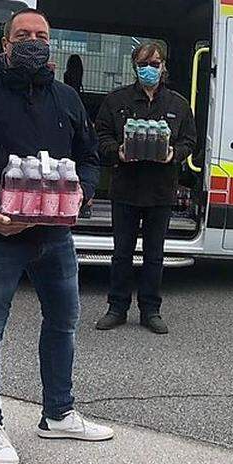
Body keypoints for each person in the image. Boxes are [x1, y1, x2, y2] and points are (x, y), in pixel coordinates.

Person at [0, 8, 114, 464]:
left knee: (63, 321)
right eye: (24, 35)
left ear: (51, 44)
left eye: (41, 35)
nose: (33, 42)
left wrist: (82, 195)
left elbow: (90, 157)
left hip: (54, 235)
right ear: (6, 43)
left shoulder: (66, 98)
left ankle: (58, 413)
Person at [93, 41, 197, 334]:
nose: (149, 69)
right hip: (125, 188)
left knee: (154, 254)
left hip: (161, 191)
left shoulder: (177, 104)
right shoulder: (117, 101)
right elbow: (101, 137)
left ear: (164, 66)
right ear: (134, 67)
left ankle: (150, 310)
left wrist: (174, 154)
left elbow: (190, 141)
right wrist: (118, 152)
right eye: (143, 64)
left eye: (154, 64)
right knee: (121, 253)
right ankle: (117, 308)